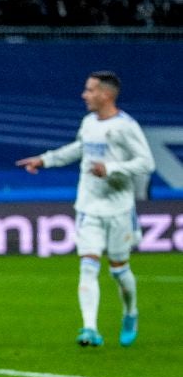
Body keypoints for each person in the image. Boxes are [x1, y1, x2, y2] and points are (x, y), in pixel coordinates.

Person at [16, 71, 154, 348]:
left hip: (119, 208)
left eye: (90, 90)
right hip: (88, 206)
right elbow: (79, 148)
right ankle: (89, 328)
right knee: (88, 266)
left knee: (119, 270)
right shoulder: (89, 123)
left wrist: (112, 168)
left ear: (106, 95)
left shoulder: (125, 127)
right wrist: (45, 160)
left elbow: (146, 163)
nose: (84, 95)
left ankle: (130, 312)